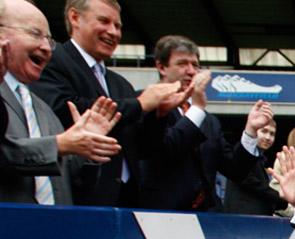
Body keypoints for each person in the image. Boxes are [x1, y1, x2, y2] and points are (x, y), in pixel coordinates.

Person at [32, 0, 185, 207]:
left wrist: (158, 114)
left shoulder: (120, 84)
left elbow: (143, 147)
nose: (113, 32)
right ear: (75, 18)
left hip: (127, 200)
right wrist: (140, 104)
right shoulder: (53, 61)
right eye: (104, 21)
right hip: (81, 197)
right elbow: (67, 110)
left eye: (118, 26)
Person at [1, 0, 121, 205]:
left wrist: (85, 150)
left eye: (49, 40)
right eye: (35, 34)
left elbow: (67, 180)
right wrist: (59, 145)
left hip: (54, 229)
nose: (47, 48)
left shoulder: (44, 110)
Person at [138, 35, 271, 212]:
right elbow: (166, 150)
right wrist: (198, 109)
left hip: (207, 219)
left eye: (195, 65)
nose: (191, 71)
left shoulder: (210, 121)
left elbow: (234, 170)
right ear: (161, 67)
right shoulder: (145, 104)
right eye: (182, 64)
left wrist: (250, 130)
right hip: (159, 215)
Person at [223, 119, 289, 216]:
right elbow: (252, 184)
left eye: (272, 134)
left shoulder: (260, 160)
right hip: (240, 222)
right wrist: (280, 197)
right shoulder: (242, 154)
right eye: (264, 131)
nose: (268, 137)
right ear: (254, 131)